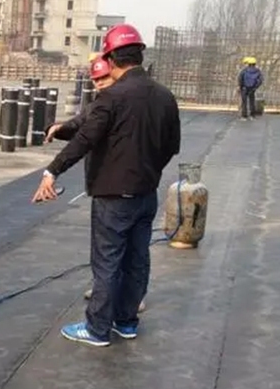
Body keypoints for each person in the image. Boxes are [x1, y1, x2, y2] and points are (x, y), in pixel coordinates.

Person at [31, 24, 181, 347]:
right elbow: (171, 146)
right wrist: (148, 171)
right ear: (140, 55)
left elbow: (85, 139)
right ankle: (126, 322)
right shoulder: (165, 97)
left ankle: (97, 328)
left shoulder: (111, 98)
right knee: (137, 259)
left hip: (113, 198)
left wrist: (51, 172)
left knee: (107, 261)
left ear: (111, 59)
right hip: (145, 195)